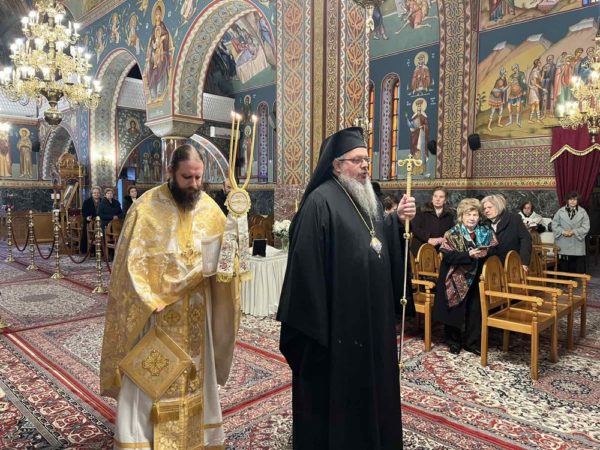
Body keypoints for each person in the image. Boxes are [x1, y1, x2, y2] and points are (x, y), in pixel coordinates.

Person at [277, 127, 416, 450]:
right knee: (341, 397)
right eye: (357, 160)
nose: (365, 166)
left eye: (367, 159)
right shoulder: (319, 202)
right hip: (337, 327)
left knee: (371, 387)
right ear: (337, 165)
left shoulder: (367, 198)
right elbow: (305, 269)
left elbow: (375, 237)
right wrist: (318, 328)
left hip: (371, 321)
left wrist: (396, 221)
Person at [100, 144, 238, 449]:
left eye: (199, 177)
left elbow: (224, 257)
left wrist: (234, 246)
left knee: (195, 376)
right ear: (170, 172)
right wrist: (149, 300)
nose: (194, 184)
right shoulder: (145, 208)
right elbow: (129, 264)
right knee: (152, 378)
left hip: (197, 313)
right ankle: (141, 439)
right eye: (187, 177)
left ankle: (198, 435)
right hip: (158, 314)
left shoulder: (210, 209)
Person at [433, 198, 498, 355]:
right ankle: (453, 342)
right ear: (461, 216)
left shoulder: (486, 231)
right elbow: (447, 256)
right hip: (455, 277)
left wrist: (485, 252)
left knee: (475, 310)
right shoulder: (452, 233)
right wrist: (467, 255)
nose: (472, 218)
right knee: (455, 309)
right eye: (468, 214)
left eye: (475, 215)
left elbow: (495, 249)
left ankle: (471, 342)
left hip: (477, 277)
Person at [482, 194, 531, 270]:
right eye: (484, 208)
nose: (486, 211)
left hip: (513, 265)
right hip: (492, 267)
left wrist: (524, 262)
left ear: (498, 206)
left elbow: (526, 239)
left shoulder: (514, 219)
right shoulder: (483, 224)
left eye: (490, 207)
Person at [552, 191, 590, 274]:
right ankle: (564, 279)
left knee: (575, 265)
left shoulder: (583, 212)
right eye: (570, 199)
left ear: (578, 201)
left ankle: (574, 280)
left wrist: (574, 231)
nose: (572, 201)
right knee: (564, 265)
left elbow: (586, 227)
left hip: (577, 241)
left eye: (575, 199)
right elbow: (554, 225)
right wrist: (562, 231)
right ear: (567, 200)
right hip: (563, 241)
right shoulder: (560, 211)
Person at [410, 186, 454, 256]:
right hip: (421, 248)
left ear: (445, 200)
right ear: (432, 198)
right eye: (435, 196)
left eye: (441, 197)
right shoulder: (421, 210)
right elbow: (414, 227)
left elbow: (451, 232)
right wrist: (428, 239)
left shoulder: (449, 215)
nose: (437, 199)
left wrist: (444, 241)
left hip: (440, 250)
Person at [80, 186, 102, 253]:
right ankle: (90, 250)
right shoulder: (87, 201)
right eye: (94, 193)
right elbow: (84, 211)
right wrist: (87, 217)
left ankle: (103, 250)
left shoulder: (103, 201)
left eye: (98, 193)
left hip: (100, 221)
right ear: (92, 193)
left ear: (100, 193)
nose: (96, 194)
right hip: (89, 221)